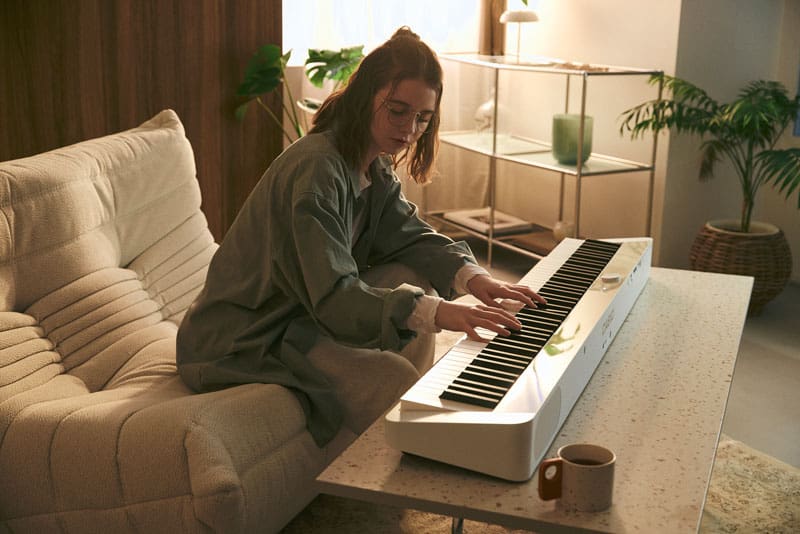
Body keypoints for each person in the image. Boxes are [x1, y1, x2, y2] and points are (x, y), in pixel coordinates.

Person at [176, 27, 545, 447]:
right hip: (244, 334)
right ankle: (400, 462)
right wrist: (441, 315)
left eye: (423, 118)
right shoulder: (317, 171)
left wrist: (476, 279)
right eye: (398, 111)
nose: (409, 129)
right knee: (394, 379)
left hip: (299, 311)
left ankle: (400, 431)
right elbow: (334, 295)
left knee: (413, 274)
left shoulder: (371, 162)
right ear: (367, 96)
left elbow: (411, 235)